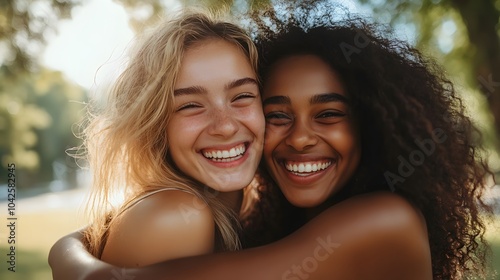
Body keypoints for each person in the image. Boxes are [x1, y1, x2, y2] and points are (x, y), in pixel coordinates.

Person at [49, 1, 494, 279]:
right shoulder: (253, 215)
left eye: (329, 114)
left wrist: (67, 256)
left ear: (372, 122)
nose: (300, 138)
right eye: (278, 114)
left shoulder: (385, 220)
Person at [66, 9, 265, 268]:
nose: (225, 126)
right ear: (157, 125)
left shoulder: (254, 206)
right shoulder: (178, 216)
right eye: (190, 105)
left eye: (242, 96)